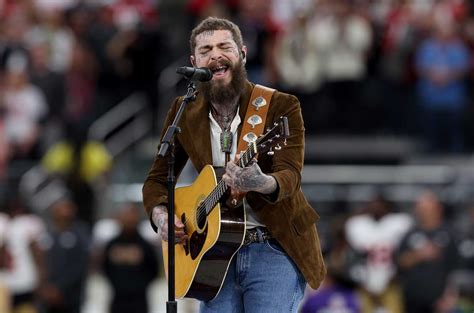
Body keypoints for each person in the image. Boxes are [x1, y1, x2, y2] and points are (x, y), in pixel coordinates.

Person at [142, 16, 325, 313]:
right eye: (206, 50)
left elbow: (290, 175)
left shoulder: (280, 105)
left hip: (274, 244)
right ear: (194, 61)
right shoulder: (184, 110)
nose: (215, 54)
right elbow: (157, 179)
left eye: (224, 46)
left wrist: (260, 182)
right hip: (212, 252)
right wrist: (163, 217)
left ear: (242, 53)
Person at [102, 204, 159, 313]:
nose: (129, 219)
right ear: (119, 218)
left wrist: (140, 285)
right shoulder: (111, 244)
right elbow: (105, 267)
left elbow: (154, 269)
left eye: (132, 215)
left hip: (139, 301)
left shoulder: (145, 245)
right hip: (118, 299)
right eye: (126, 215)